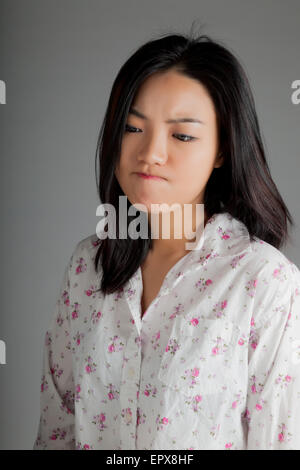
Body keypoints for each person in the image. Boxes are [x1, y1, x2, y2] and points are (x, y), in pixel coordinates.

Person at [33, 29, 300, 450]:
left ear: (222, 149)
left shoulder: (265, 283)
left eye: (182, 135)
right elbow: (56, 432)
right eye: (133, 128)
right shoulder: (87, 266)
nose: (151, 152)